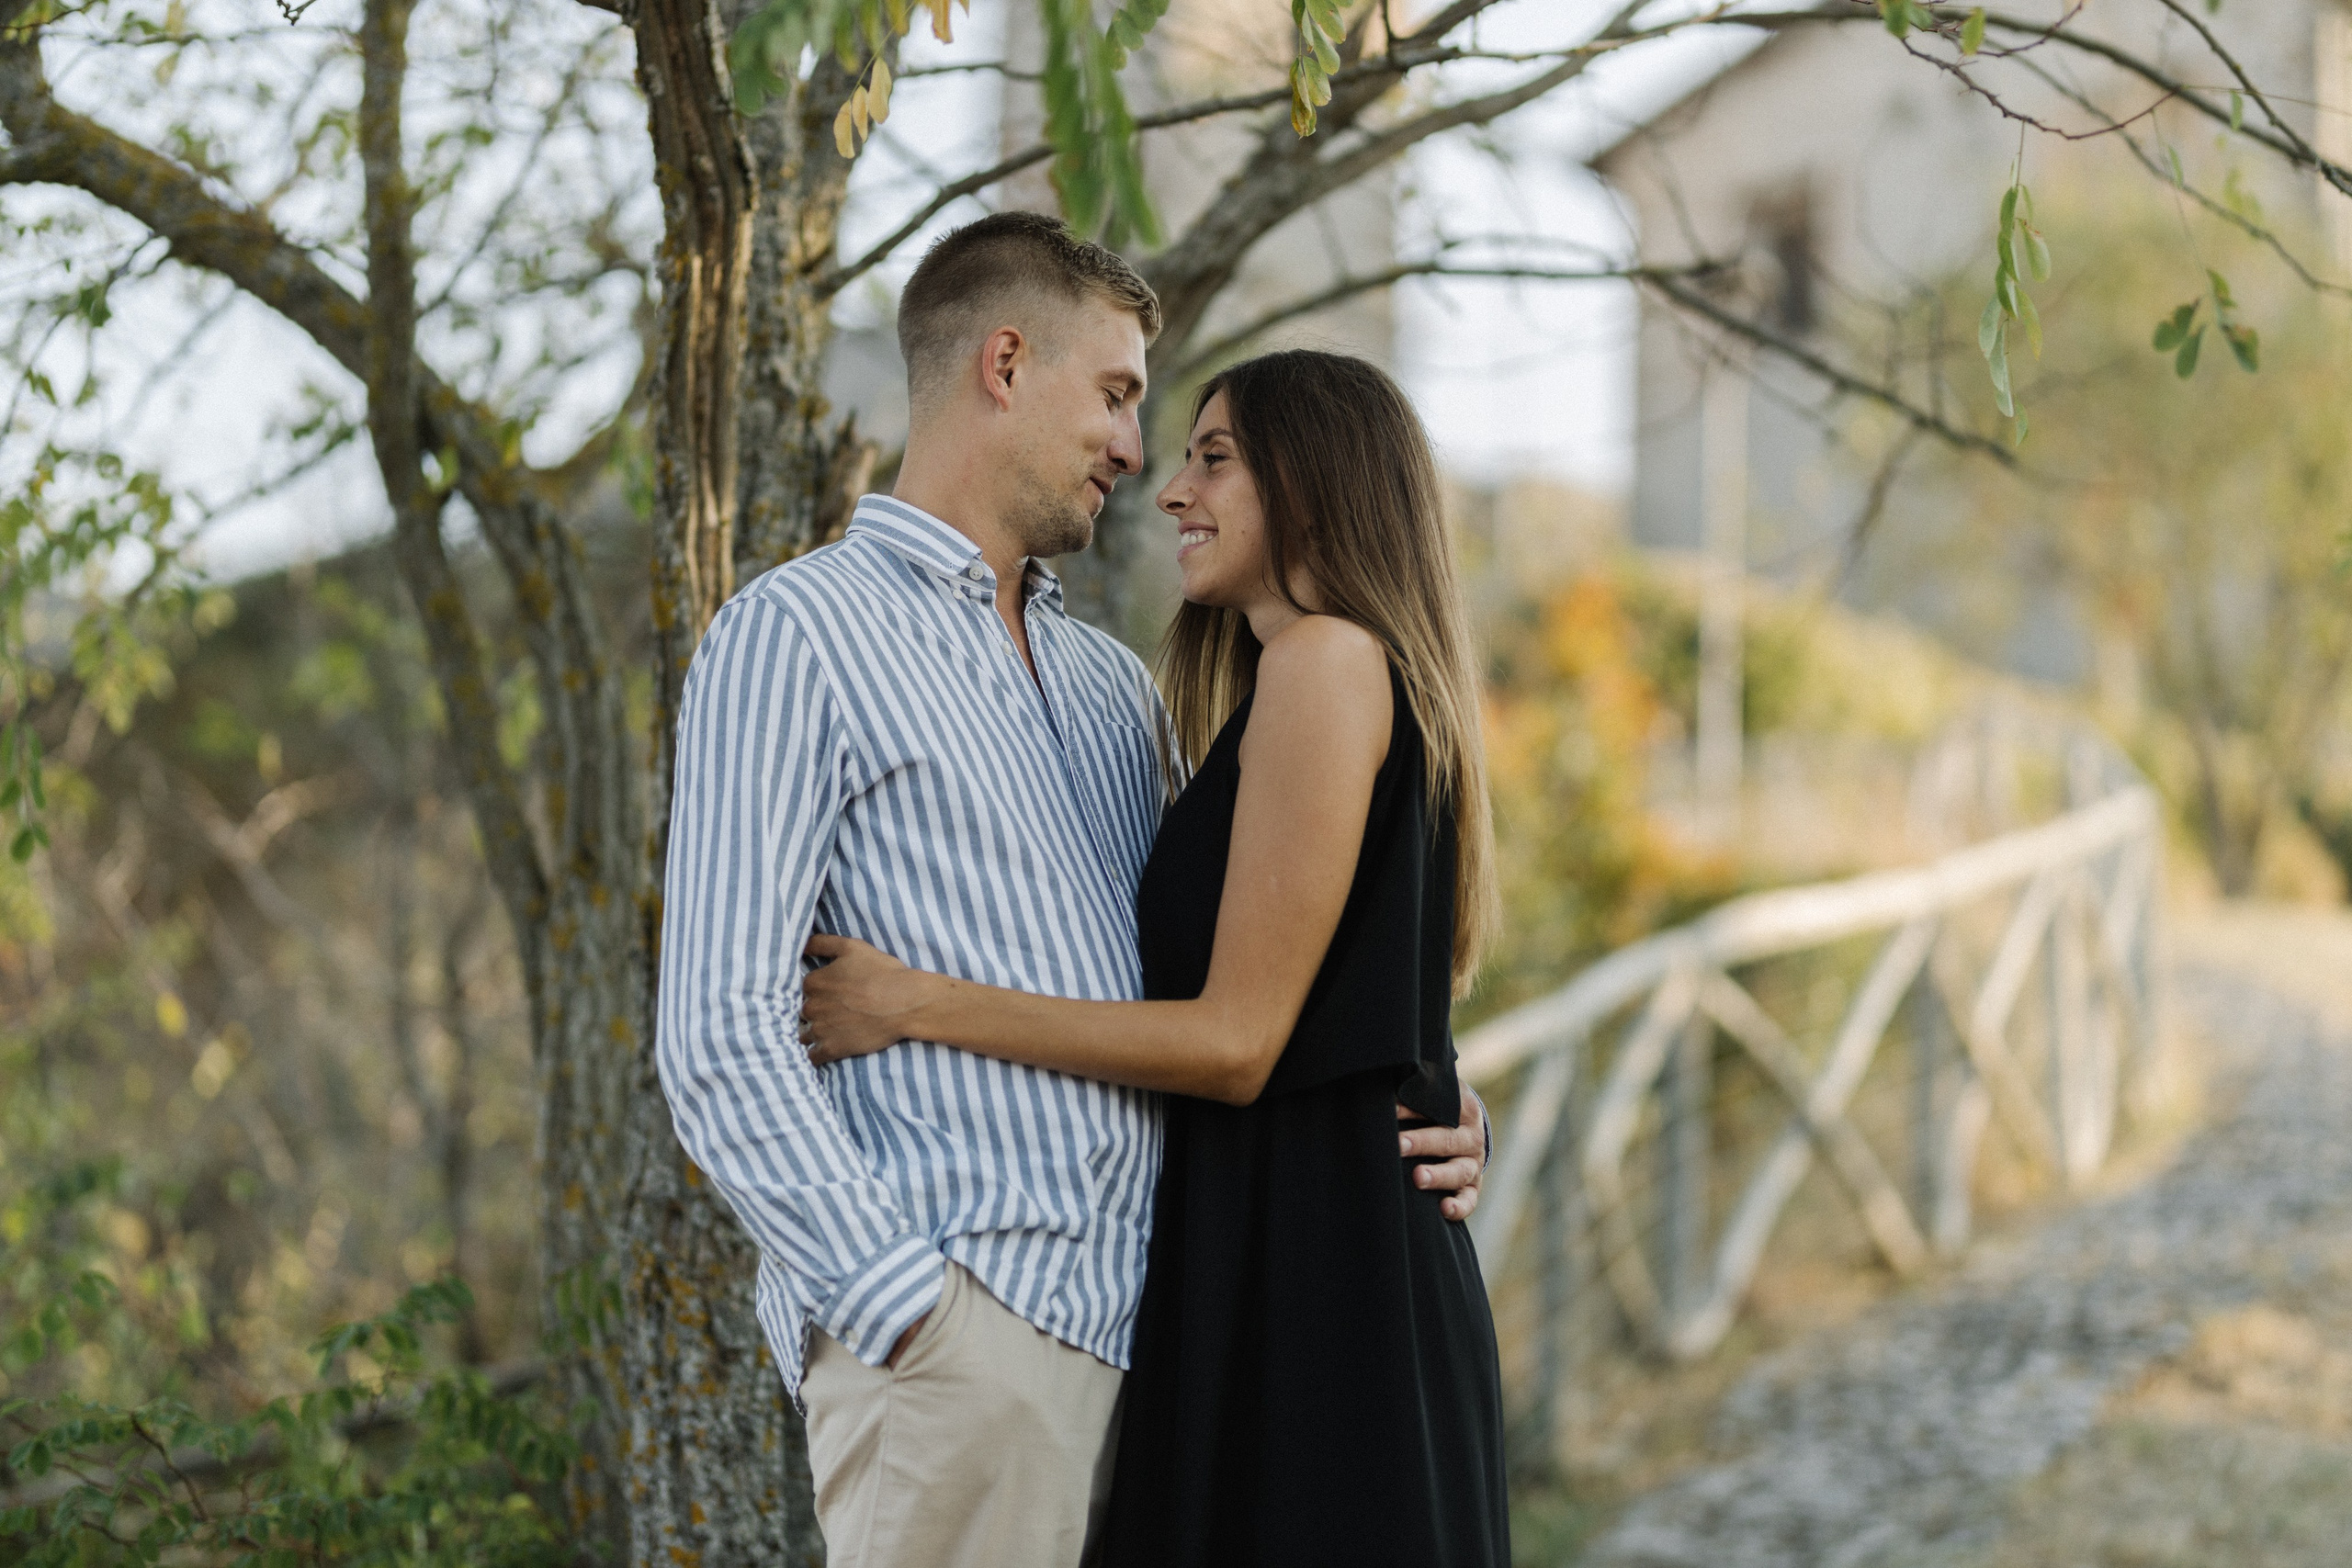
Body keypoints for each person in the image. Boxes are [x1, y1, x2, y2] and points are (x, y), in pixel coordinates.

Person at [653, 214, 1489, 1568]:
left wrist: (1433, 1088)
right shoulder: (795, 634)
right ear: (1002, 362)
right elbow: (719, 1036)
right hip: (970, 1350)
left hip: (1172, 1357)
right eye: (1114, 396)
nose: (1134, 449)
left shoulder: (1112, 690)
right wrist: (908, 1312)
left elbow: (1259, 971)